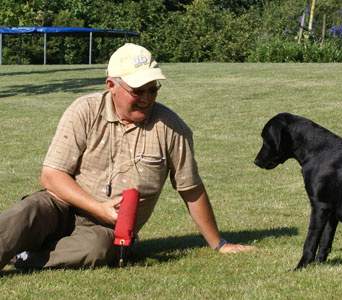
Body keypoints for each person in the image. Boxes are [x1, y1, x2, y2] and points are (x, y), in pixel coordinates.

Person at [0, 43, 255, 271]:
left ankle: (24, 257)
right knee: (26, 212)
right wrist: (97, 207)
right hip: (62, 206)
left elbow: (191, 189)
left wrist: (219, 244)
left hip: (108, 230)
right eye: (137, 91)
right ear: (111, 86)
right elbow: (51, 176)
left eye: (152, 89)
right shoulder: (84, 110)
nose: (146, 98)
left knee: (99, 248)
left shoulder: (172, 128)